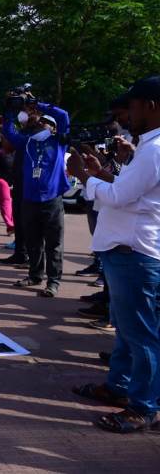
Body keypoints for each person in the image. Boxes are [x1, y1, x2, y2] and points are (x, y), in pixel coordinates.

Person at [67, 75, 160, 434]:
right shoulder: (147, 147)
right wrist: (101, 173)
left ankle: (143, 406)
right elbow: (126, 189)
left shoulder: (153, 149)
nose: (126, 116)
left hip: (134, 252)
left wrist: (82, 178)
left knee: (140, 334)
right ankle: (118, 387)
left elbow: (120, 197)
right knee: (126, 329)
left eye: (132, 107)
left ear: (150, 106)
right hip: (126, 250)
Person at [3, 99, 70, 298]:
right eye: (42, 123)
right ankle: (34, 275)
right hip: (29, 200)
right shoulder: (27, 142)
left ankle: (53, 281)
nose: (43, 126)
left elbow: (63, 115)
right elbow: (10, 132)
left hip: (52, 201)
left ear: (53, 127)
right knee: (32, 241)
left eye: (47, 123)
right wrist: (9, 112)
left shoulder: (59, 142)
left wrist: (38, 104)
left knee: (54, 243)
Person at [0, 111, 40, 267]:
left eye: (31, 113)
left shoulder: (41, 135)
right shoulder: (22, 133)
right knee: (19, 218)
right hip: (19, 181)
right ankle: (20, 254)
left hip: (32, 184)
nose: (27, 115)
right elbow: (8, 147)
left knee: (31, 222)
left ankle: (33, 260)